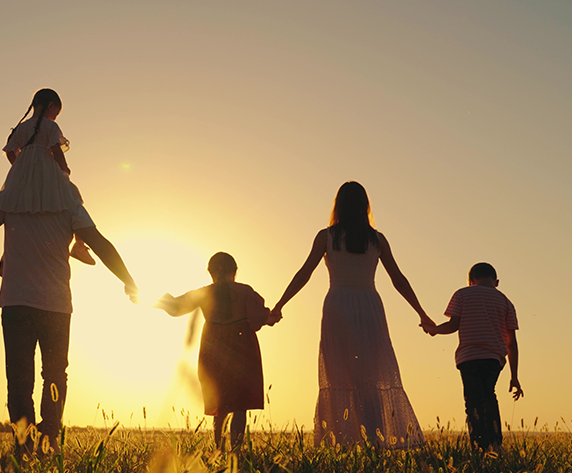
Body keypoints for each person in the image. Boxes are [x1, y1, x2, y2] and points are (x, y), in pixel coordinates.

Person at [0, 201, 137, 454]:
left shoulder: (12, 197)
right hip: (53, 305)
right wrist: (129, 281)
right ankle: (49, 438)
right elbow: (100, 243)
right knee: (54, 374)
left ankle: (25, 443)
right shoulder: (67, 201)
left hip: (19, 303)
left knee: (21, 377)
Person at [269, 181, 430, 448]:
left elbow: (304, 273)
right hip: (369, 307)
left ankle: (346, 442)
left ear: (338, 206)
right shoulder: (376, 239)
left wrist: (280, 305)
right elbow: (398, 280)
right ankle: (374, 445)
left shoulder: (327, 236)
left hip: (338, 307)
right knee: (371, 377)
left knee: (340, 377)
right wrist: (422, 314)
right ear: (365, 206)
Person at [154, 252, 271, 451]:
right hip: (242, 345)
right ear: (234, 272)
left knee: (220, 400)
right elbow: (260, 318)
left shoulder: (203, 293)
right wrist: (272, 315)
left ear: (210, 272)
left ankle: (218, 448)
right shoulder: (245, 291)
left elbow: (175, 307)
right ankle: (235, 451)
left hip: (213, 346)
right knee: (239, 405)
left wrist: (148, 298)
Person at [422, 262, 522, 452]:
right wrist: (514, 376)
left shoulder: (462, 294)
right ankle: (495, 444)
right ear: (497, 282)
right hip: (494, 359)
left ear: (470, 281)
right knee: (489, 396)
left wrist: (434, 330)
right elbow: (512, 343)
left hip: (468, 358)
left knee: (474, 402)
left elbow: (453, 326)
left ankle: (479, 446)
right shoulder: (506, 302)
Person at [0, 88, 94, 265]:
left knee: (14, 211)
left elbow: (9, 152)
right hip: (48, 177)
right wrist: (64, 169)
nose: (54, 118)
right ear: (50, 106)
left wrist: (21, 169)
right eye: (55, 114)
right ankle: (79, 244)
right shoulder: (50, 126)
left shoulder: (20, 128)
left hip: (23, 181)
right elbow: (56, 149)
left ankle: (5, 256)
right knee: (73, 196)